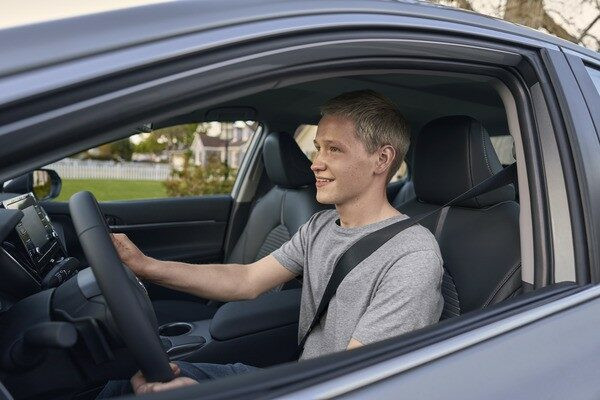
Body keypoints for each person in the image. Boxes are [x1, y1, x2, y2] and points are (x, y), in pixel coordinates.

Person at [101, 90, 443, 396]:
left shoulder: (412, 257)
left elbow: (358, 384)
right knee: (126, 383)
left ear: (381, 159)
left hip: (328, 389)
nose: (315, 163)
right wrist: (146, 266)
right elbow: (247, 280)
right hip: (301, 378)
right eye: (318, 147)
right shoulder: (321, 225)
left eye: (334, 150)